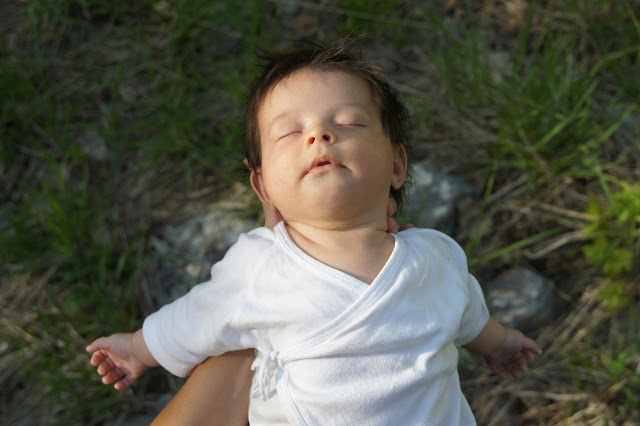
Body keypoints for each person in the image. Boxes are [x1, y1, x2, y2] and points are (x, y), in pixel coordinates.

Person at [87, 40, 541, 425]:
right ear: (264, 188)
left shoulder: (434, 256)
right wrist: (139, 347)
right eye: (289, 132)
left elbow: (467, 311)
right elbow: (197, 317)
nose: (319, 135)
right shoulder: (261, 265)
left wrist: (499, 344)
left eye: (348, 122)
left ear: (397, 165)